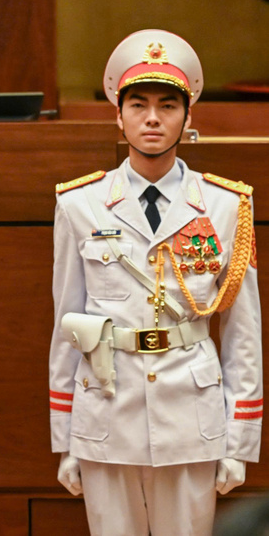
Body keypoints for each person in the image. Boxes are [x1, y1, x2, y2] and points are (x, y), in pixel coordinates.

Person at [49, 29, 262, 535]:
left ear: (188, 117)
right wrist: (66, 438)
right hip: (106, 409)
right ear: (117, 115)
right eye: (138, 105)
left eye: (167, 106)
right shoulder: (79, 204)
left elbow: (243, 333)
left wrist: (239, 439)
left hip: (191, 411)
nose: (152, 118)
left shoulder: (226, 205)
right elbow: (66, 326)